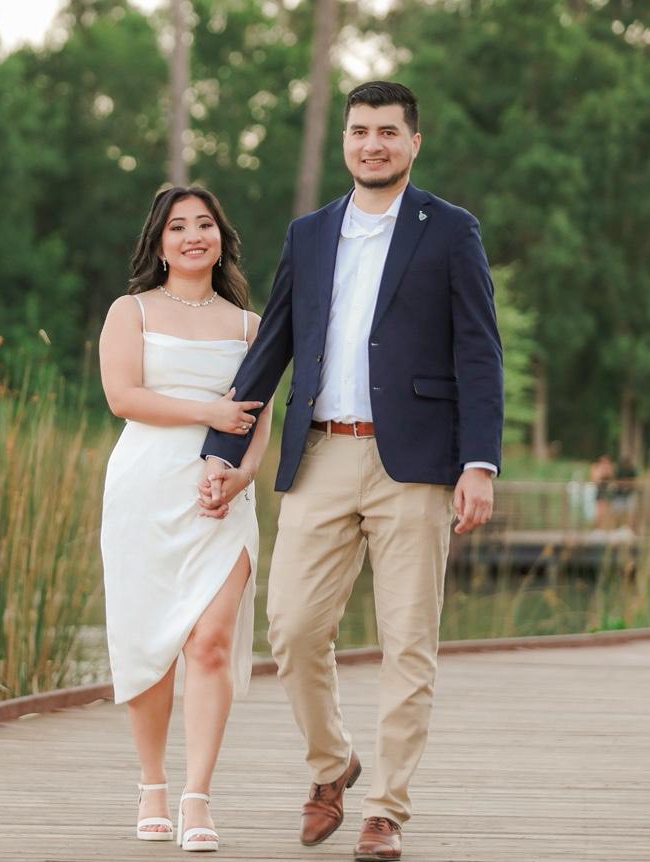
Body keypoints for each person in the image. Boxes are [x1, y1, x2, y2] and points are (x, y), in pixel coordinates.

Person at [199, 81, 503, 861]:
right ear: (345, 141)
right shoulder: (309, 234)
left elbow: (479, 352)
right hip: (321, 454)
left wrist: (479, 462)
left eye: (388, 131)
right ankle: (333, 765)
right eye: (360, 130)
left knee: (409, 641)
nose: (373, 144)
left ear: (413, 142)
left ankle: (386, 810)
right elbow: (272, 344)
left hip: (417, 466)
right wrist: (223, 452)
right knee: (293, 628)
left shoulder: (451, 231)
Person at [99, 185, 273, 851]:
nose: (193, 235)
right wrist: (207, 412)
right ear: (160, 243)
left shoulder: (250, 327)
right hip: (145, 491)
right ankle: (152, 784)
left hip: (221, 497)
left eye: (205, 224)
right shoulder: (132, 311)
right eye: (178, 226)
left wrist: (240, 476)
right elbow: (123, 397)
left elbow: (258, 418)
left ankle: (198, 797)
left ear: (222, 239)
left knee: (210, 641)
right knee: (150, 642)